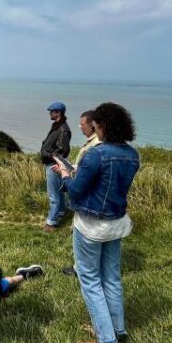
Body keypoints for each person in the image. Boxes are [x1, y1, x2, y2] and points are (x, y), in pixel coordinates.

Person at [54, 102, 139, 343]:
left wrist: (66, 175)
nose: (94, 128)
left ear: (101, 126)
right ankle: (117, 331)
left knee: (90, 281)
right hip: (116, 223)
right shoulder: (132, 154)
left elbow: (77, 190)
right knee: (111, 278)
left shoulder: (96, 154)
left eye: (95, 125)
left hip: (90, 225)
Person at [62, 110, 101, 276]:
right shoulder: (95, 142)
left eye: (82, 124)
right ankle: (83, 266)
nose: (79, 127)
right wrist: (74, 168)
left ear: (92, 126)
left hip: (86, 193)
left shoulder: (96, 145)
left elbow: (91, 171)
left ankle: (82, 269)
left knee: (83, 233)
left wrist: (66, 173)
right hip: (86, 190)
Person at [40, 101, 71, 231]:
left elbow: (62, 150)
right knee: (59, 192)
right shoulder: (57, 126)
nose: (49, 113)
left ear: (58, 113)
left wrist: (48, 155)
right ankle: (60, 213)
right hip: (53, 163)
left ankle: (51, 223)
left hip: (53, 165)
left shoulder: (63, 129)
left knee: (53, 195)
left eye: (51, 111)